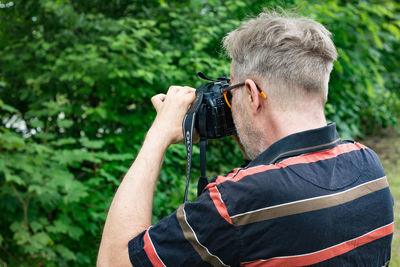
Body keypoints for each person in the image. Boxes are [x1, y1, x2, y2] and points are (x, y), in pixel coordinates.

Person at [97, 10, 394, 266]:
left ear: (252, 94)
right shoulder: (369, 166)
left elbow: (113, 261)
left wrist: (158, 134)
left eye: (233, 91)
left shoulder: (237, 203)